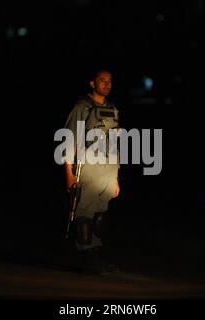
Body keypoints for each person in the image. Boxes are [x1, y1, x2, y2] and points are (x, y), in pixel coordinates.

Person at [64, 69, 120, 273]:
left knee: (100, 215)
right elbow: (69, 139)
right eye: (102, 81)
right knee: (85, 214)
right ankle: (88, 255)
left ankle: (96, 254)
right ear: (92, 83)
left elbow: (115, 144)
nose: (107, 84)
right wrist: (69, 173)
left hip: (108, 169)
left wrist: (116, 177)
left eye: (109, 81)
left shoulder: (113, 109)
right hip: (88, 167)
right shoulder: (83, 107)